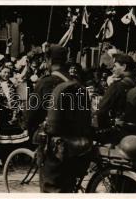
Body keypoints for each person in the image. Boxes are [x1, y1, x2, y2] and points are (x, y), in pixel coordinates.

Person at [27, 45, 92, 193]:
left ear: (48, 60)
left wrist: (30, 130)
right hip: (77, 143)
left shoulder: (45, 81)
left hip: (55, 144)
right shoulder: (76, 82)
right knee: (68, 185)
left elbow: (32, 113)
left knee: (51, 186)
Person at [97, 54, 136, 143]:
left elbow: (101, 110)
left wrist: (110, 86)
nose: (113, 69)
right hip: (135, 131)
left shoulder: (117, 86)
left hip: (117, 133)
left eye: (115, 66)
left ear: (124, 67)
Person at [0, 65, 28, 165]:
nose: (6, 74)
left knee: (11, 136)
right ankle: (1, 158)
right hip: (1, 112)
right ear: (0, 73)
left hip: (12, 111)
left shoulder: (12, 83)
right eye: (4, 72)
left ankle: (10, 158)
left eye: (8, 73)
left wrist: (26, 65)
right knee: (2, 136)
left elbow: (22, 76)